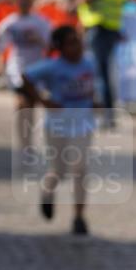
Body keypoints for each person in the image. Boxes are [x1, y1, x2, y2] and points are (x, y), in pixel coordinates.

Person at [21, 25, 96, 235]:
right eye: (72, 43)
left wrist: (96, 103)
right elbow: (26, 76)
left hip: (83, 124)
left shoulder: (89, 63)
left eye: (79, 41)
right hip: (57, 125)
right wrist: (41, 100)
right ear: (61, 47)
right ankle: (47, 192)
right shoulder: (52, 67)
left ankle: (79, 217)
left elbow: (92, 87)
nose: (78, 46)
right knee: (59, 171)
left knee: (80, 170)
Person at [0, 0, 51, 153]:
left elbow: (50, 47)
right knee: (22, 104)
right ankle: (24, 144)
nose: (24, 3)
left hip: (36, 68)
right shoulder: (9, 23)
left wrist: (39, 40)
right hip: (17, 68)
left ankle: (28, 143)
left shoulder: (41, 22)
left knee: (31, 106)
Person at [73, 0, 129, 127]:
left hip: (99, 25)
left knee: (98, 73)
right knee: (104, 72)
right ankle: (108, 115)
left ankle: (103, 116)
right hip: (112, 25)